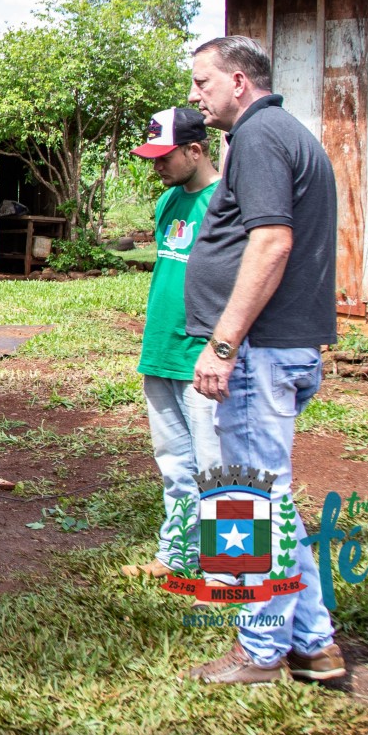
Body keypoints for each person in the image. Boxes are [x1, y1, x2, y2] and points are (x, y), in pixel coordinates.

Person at [183, 36, 346, 686]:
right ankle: (313, 642)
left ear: (240, 81)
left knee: (248, 503)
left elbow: (272, 242)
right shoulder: (285, 134)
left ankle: (260, 649)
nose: (196, 96)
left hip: (259, 351)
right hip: (283, 348)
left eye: (203, 82)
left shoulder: (257, 138)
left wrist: (223, 344)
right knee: (268, 495)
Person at [120, 106, 220, 582]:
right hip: (161, 350)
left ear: (196, 150)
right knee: (176, 465)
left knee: (224, 469)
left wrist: (222, 348)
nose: (156, 167)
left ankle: (236, 571)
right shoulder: (167, 204)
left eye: (164, 157)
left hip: (206, 356)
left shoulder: (228, 203)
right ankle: (178, 555)